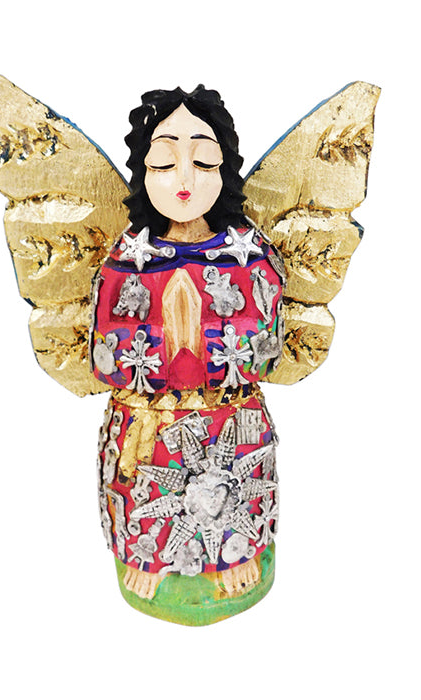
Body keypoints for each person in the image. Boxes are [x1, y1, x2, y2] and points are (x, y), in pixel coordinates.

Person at [92, 86, 283, 625]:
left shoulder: (246, 253)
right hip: (149, 410)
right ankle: (146, 556)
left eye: (202, 162)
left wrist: (218, 348)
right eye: (163, 162)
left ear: (225, 170)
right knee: (142, 471)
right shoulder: (128, 257)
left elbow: (267, 337)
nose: (185, 179)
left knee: (239, 471)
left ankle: (237, 555)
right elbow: (105, 345)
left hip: (228, 406)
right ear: (142, 172)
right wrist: (156, 351)